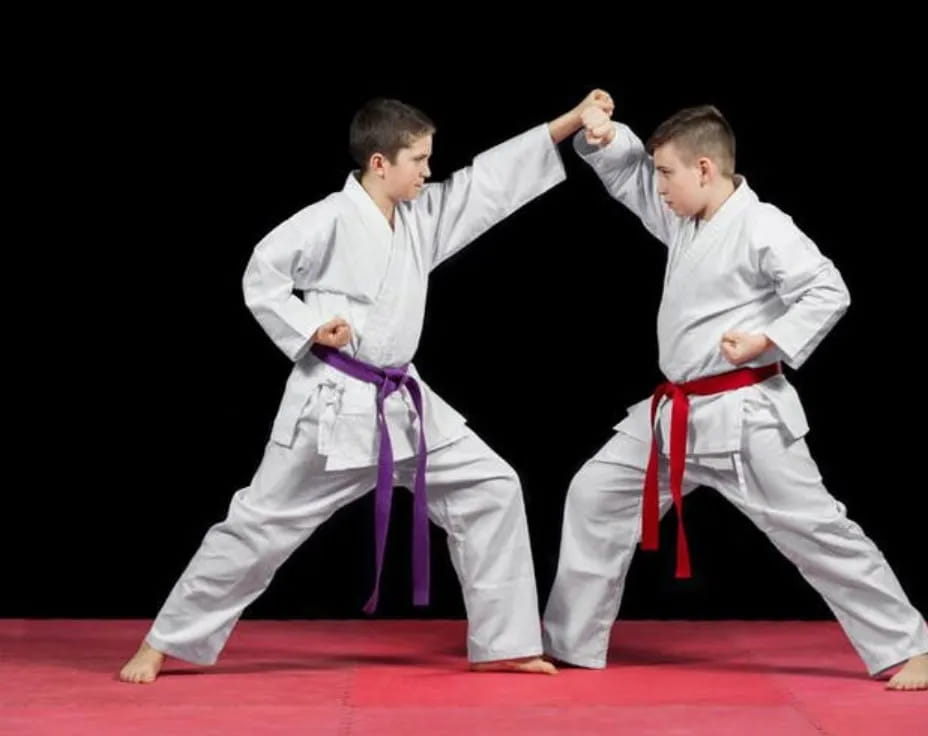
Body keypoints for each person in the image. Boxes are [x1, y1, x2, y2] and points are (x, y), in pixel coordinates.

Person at [119, 89, 616, 683]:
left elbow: (489, 182)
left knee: (491, 486)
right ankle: (163, 640)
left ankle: (506, 642)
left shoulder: (419, 218)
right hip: (334, 406)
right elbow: (263, 274)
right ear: (379, 162)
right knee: (258, 526)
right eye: (418, 161)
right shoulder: (328, 219)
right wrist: (311, 328)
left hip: (405, 402)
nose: (429, 172)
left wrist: (569, 121)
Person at [541, 102, 928, 690]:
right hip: (673, 412)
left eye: (666, 172)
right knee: (595, 494)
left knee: (816, 530)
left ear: (703, 168)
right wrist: (609, 136)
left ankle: (912, 644)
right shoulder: (683, 217)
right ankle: (570, 642)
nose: (658, 185)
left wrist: (766, 339)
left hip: (742, 413)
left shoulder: (762, 224)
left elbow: (828, 289)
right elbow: (627, 176)